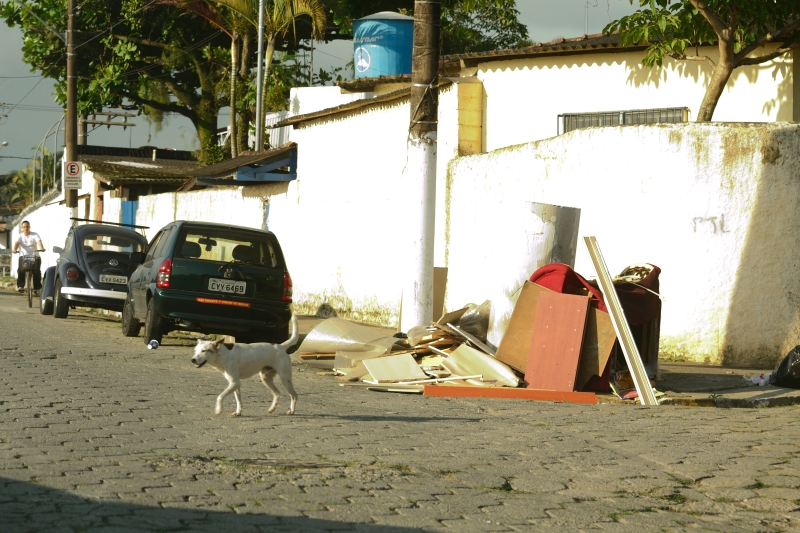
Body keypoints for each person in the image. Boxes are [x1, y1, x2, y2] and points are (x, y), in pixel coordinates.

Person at [13, 220, 44, 296]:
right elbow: (17, 243)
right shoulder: (20, 236)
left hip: (34, 256)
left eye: (27, 226)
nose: (26, 228)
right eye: (24, 227)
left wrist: (41, 248)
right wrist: (14, 249)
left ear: (29, 227)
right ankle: (20, 286)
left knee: (37, 272)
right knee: (20, 270)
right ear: (22, 228)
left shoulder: (34, 235)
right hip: (23, 256)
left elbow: (39, 242)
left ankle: (37, 288)